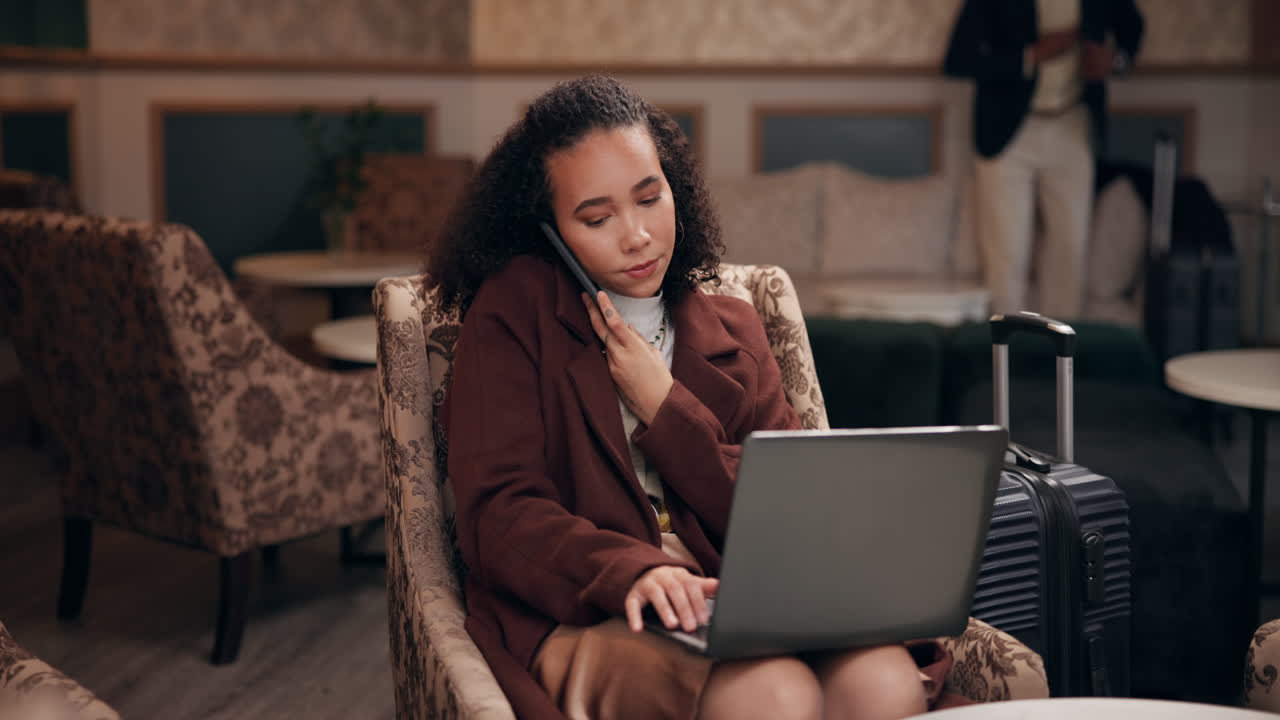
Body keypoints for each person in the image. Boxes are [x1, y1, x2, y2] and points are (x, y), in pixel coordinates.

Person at [426, 75, 958, 720]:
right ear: (549, 230)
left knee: (884, 683)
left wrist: (666, 409)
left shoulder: (734, 325)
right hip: (585, 608)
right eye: (596, 217)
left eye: (651, 199)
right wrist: (633, 570)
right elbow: (499, 516)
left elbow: (792, 512)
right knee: (776, 694)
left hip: (740, 599)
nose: (637, 236)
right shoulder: (511, 316)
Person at [944, 0, 1144, 318]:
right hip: (1008, 132)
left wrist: (1116, 60)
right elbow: (958, 59)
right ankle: (1005, 355)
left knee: (1070, 250)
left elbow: (1132, 28)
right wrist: (1031, 55)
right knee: (1007, 255)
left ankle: (1059, 356)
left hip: (1073, 124)